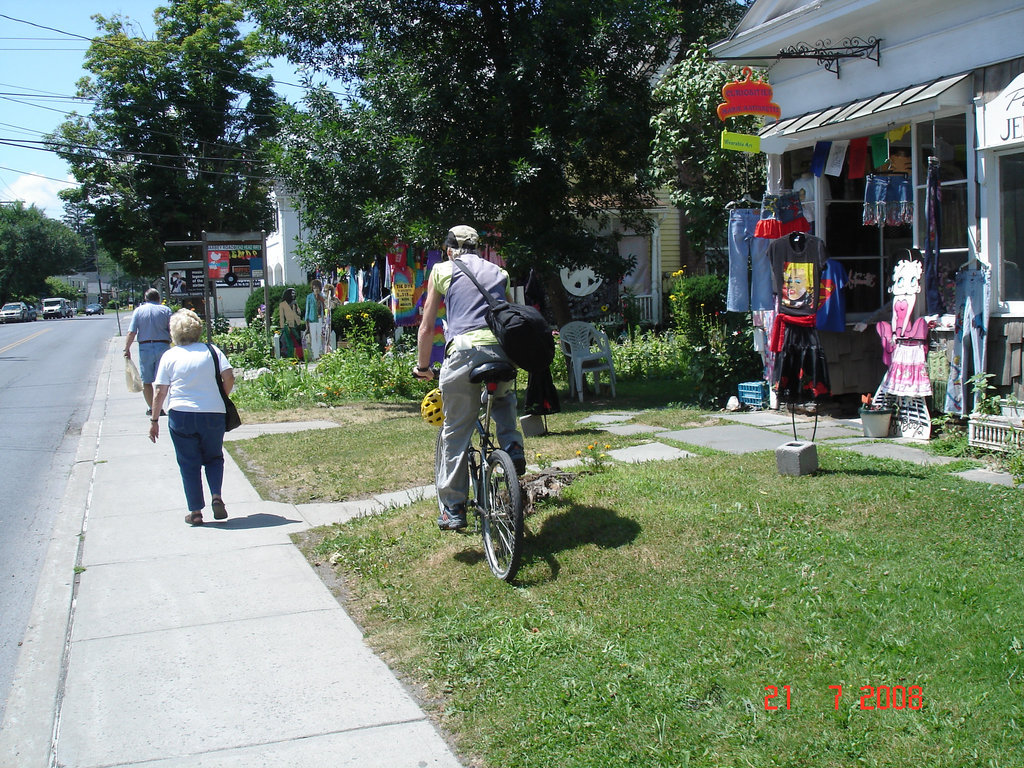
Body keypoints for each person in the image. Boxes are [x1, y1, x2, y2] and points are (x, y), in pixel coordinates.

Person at [414, 225, 526, 531]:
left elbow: (426, 327)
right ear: (478, 248)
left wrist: (423, 366)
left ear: (450, 250)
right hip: (500, 353)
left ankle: (453, 507)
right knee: (502, 398)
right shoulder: (497, 271)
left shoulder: (442, 270)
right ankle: (512, 447)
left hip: (463, 355)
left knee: (456, 431)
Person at [148, 309, 235, 526]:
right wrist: (221, 395)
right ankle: (216, 495)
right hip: (212, 413)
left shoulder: (170, 355)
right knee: (214, 457)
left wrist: (155, 420)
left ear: (174, 333)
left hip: (181, 414)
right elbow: (229, 376)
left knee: (188, 463)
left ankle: (195, 511)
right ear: (197, 329)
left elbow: (160, 391)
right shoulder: (212, 351)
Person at [123, 288, 173, 415]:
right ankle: (160, 406)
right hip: (163, 345)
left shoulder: (138, 311)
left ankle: (152, 408)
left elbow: (132, 331)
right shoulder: (166, 310)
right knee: (162, 379)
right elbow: (172, 329)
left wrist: (127, 348)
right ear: (159, 299)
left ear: (146, 299)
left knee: (147, 380)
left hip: (145, 347)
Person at [278, 288, 304, 360]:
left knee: (298, 342)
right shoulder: (283, 304)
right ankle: (290, 357)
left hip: (296, 325)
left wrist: (295, 306)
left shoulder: (295, 303)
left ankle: (299, 356)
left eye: (294, 293)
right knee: (290, 343)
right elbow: (281, 317)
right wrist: (282, 327)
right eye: (292, 293)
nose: (293, 295)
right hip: (289, 326)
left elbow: (299, 313)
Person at [305, 279, 326, 359]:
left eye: (317, 288)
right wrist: (306, 321)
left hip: (320, 319)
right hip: (312, 319)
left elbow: (324, 307)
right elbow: (307, 309)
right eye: (314, 288)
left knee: (319, 336)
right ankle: (315, 354)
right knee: (313, 336)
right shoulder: (309, 297)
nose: (316, 290)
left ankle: (320, 352)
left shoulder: (321, 297)